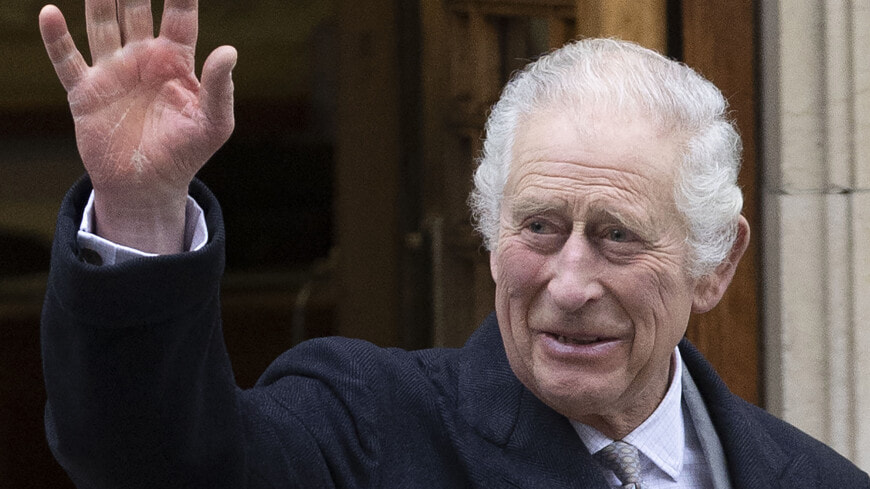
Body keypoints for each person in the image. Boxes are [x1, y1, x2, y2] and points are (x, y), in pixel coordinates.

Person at [38, 1, 869, 488]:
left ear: (715, 262)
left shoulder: (816, 478)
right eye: (539, 226)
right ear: (491, 232)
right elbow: (154, 464)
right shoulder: (364, 427)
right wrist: (140, 210)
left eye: (617, 236)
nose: (570, 282)